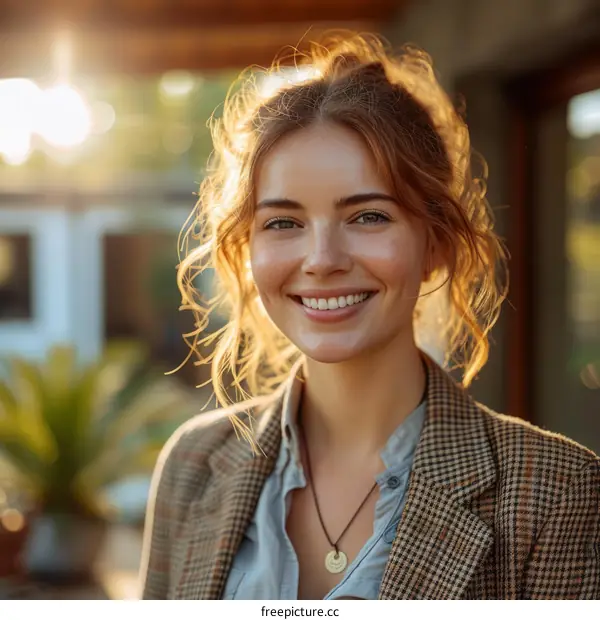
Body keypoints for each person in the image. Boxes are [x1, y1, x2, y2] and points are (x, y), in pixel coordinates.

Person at [139, 33, 599, 600]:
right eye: (284, 223)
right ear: (245, 250)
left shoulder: (555, 492)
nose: (323, 260)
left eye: (369, 217)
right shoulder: (192, 465)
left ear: (437, 243)